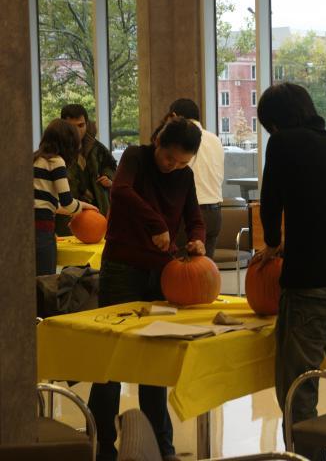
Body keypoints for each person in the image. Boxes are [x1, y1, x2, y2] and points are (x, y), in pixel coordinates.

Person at [257, 83, 326, 461]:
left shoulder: (284, 143)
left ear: (275, 122)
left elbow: (271, 202)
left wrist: (273, 240)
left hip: (310, 287)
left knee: (298, 388)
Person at [88, 116, 206, 461]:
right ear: (159, 144)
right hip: (122, 267)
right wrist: (156, 222)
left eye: (183, 161)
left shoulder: (184, 176)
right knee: (111, 361)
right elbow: (120, 192)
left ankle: (161, 448)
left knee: (152, 363)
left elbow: (194, 217)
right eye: (169, 158)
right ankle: (101, 446)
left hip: (160, 273)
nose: (174, 166)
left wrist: (197, 239)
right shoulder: (136, 158)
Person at [34, 119, 99, 275]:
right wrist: (84, 206)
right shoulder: (56, 161)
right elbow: (68, 203)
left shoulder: (35, 159)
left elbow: (49, 204)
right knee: (45, 282)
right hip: (43, 230)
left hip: (26, 228)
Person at [167, 98, 225, 259]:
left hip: (189, 216)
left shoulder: (182, 140)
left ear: (175, 116)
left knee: (180, 273)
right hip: (215, 213)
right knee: (205, 274)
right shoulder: (215, 140)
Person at [56, 104, 117, 235]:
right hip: (66, 214)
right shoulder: (55, 150)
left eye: (81, 125)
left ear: (87, 124)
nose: (77, 131)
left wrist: (109, 177)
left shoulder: (97, 148)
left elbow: (111, 166)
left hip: (96, 210)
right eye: (72, 126)